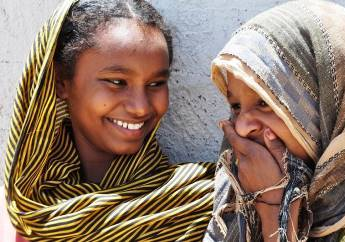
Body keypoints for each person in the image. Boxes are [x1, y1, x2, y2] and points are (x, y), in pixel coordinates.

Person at [1, 0, 215, 241]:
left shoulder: (200, 206)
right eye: (116, 82)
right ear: (62, 82)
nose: (140, 107)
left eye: (155, 84)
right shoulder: (16, 213)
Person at [204, 0, 345, 241]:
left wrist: (274, 210)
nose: (241, 127)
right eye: (236, 106)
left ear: (329, 108)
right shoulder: (236, 194)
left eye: (266, 103)